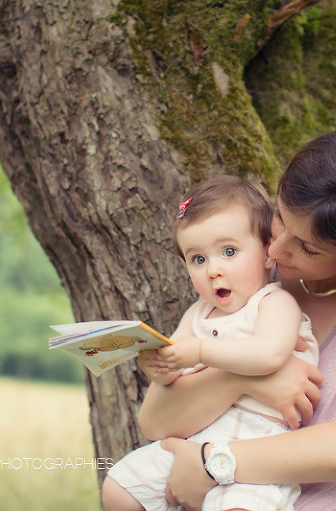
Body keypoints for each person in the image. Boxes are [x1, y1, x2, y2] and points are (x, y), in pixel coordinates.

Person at [136, 122, 336, 510]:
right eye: (280, 217)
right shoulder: (243, 266)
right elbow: (156, 421)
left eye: (307, 248)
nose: (277, 249)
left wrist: (214, 463)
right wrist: (244, 377)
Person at [102, 175, 320, 511]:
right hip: (197, 441)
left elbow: (270, 354)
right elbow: (173, 370)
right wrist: (159, 367)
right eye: (198, 259)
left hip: (259, 451)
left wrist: (201, 351)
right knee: (119, 488)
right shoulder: (198, 314)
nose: (213, 270)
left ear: (266, 252)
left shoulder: (274, 303)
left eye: (229, 252)